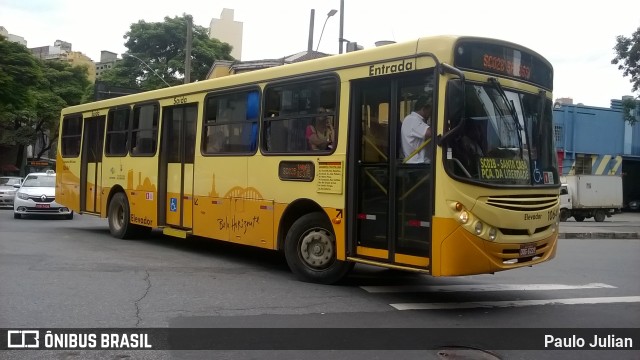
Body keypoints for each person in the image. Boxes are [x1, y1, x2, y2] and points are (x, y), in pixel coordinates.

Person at [401, 96, 432, 163]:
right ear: (424, 109)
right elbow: (429, 133)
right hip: (417, 164)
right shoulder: (412, 119)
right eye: (430, 110)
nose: (431, 114)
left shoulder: (418, 120)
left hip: (421, 163)